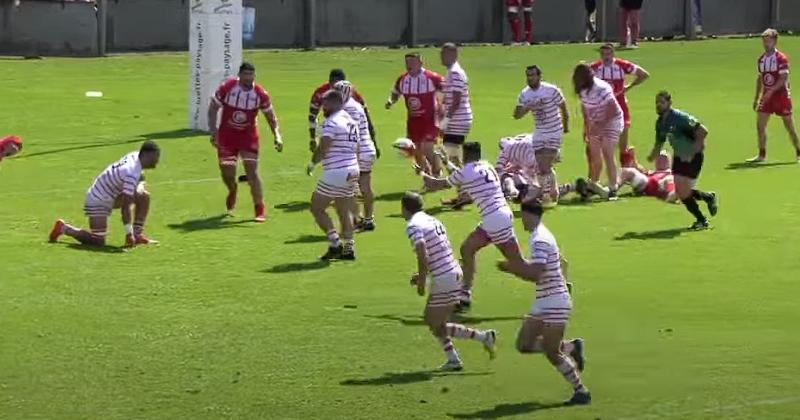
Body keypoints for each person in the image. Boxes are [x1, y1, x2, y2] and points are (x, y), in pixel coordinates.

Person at [497, 199, 590, 406]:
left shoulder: (540, 239)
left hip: (555, 301)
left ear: (531, 215)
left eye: (522, 216)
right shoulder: (540, 235)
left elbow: (536, 274)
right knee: (524, 345)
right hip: (544, 300)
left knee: (551, 352)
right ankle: (571, 348)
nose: (521, 222)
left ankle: (581, 391)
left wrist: (512, 268)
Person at [417, 142, 525, 310]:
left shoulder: (466, 171)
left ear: (465, 155)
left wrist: (422, 173)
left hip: (494, 220)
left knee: (518, 265)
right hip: (501, 216)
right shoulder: (486, 166)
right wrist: (446, 162)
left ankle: (554, 283)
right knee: (468, 249)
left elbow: (438, 184)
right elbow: (466, 182)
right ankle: (464, 295)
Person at [401, 191, 497, 371]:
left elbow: (423, 252)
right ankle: (458, 355)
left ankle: (481, 339)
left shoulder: (413, 225)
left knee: (432, 320)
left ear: (404, 209)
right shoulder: (433, 220)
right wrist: (426, 274)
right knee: (436, 322)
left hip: (445, 278)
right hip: (452, 273)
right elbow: (439, 250)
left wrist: (422, 281)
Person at [208, 62, 282, 222]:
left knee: (252, 172)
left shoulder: (260, 94)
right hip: (227, 135)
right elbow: (213, 108)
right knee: (227, 172)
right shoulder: (228, 87)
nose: (249, 78)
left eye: (252, 75)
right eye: (246, 75)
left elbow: (270, 116)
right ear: (240, 75)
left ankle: (259, 208)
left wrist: (277, 135)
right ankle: (233, 189)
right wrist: (213, 132)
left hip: (248, 136)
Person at [49, 141, 161, 247]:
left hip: (110, 196)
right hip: (98, 200)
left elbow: (140, 176)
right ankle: (64, 228)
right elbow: (126, 208)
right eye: (154, 158)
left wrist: (139, 187)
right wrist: (128, 233)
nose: (157, 162)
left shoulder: (135, 156)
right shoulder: (131, 172)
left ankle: (138, 235)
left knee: (143, 195)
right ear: (145, 155)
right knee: (98, 241)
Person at [649, 91, 718, 230]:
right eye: (657, 102)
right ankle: (704, 209)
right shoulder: (660, 123)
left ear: (669, 103)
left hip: (693, 157)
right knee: (682, 192)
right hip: (679, 157)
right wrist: (653, 155)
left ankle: (704, 212)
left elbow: (703, 131)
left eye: (662, 102)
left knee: (684, 192)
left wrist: (693, 152)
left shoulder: (680, 117)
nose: (658, 105)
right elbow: (659, 142)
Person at [307, 90, 360, 260]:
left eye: (325, 103)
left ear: (335, 102)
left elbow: (324, 147)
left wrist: (312, 163)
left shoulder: (332, 121)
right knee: (343, 209)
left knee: (316, 208)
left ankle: (335, 243)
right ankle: (349, 248)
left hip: (337, 171)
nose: (323, 107)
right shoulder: (351, 121)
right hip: (352, 169)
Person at [514, 65, 569, 202]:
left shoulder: (551, 90)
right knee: (542, 167)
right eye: (528, 75)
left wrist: (565, 126)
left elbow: (563, 107)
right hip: (539, 132)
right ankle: (553, 192)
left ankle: (546, 197)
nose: (530, 78)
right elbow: (516, 115)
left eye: (533, 75)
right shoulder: (525, 94)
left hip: (554, 130)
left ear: (539, 76)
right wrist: (529, 106)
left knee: (544, 166)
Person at [386, 53, 445, 178]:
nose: (409, 65)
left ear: (420, 63)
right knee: (415, 151)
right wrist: (391, 101)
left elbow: (449, 90)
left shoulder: (432, 77)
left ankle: (437, 172)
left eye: (412, 62)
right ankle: (428, 176)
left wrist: (444, 107)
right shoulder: (403, 79)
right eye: (407, 63)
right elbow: (395, 92)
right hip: (413, 122)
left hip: (430, 120)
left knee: (427, 148)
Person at [590, 44, 650, 160]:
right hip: (601, 108)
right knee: (601, 144)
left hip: (620, 105)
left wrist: (628, 87)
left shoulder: (622, 65)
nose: (605, 57)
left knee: (623, 144)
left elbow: (644, 75)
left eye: (608, 54)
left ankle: (627, 167)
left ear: (613, 54)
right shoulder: (594, 68)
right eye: (603, 54)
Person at [748, 29, 800, 163]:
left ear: (775, 41)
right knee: (760, 125)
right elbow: (760, 79)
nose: (766, 44)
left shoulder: (781, 58)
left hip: (781, 96)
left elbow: (784, 78)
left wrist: (771, 91)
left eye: (768, 41)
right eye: (764, 41)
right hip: (767, 97)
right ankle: (762, 155)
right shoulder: (761, 60)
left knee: (789, 126)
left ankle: (798, 152)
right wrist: (757, 97)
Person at [573, 63, 623, 200]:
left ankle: (613, 187)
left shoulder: (601, 88)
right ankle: (593, 184)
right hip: (596, 121)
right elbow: (586, 109)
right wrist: (587, 128)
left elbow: (613, 110)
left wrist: (600, 125)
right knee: (595, 155)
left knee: (607, 152)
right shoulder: (582, 90)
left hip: (612, 121)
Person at [333, 80, 378, 231]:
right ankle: (368, 219)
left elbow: (352, 133)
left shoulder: (348, 108)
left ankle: (356, 220)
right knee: (365, 186)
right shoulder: (355, 105)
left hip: (358, 151)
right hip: (367, 149)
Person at [309, 69, 375, 154]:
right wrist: (313, 138)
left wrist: (373, 139)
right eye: (333, 83)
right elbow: (312, 115)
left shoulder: (351, 93)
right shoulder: (321, 93)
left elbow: (366, 115)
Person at [440, 43, 474, 207]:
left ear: (453, 54)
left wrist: (446, 120)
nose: (441, 56)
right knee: (451, 157)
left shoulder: (455, 73)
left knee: (449, 156)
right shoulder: (453, 72)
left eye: (444, 53)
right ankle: (463, 193)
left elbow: (456, 99)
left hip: (457, 121)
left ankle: (465, 193)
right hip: (459, 119)